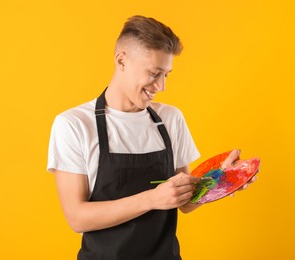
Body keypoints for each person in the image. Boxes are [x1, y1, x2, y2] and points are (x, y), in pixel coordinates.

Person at [47, 15, 253, 260]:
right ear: (121, 60)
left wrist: (220, 181)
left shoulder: (170, 119)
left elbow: (185, 202)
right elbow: (77, 218)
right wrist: (152, 199)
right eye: (155, 73)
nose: (162, 86)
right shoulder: (74, 124)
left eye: (167, 74)